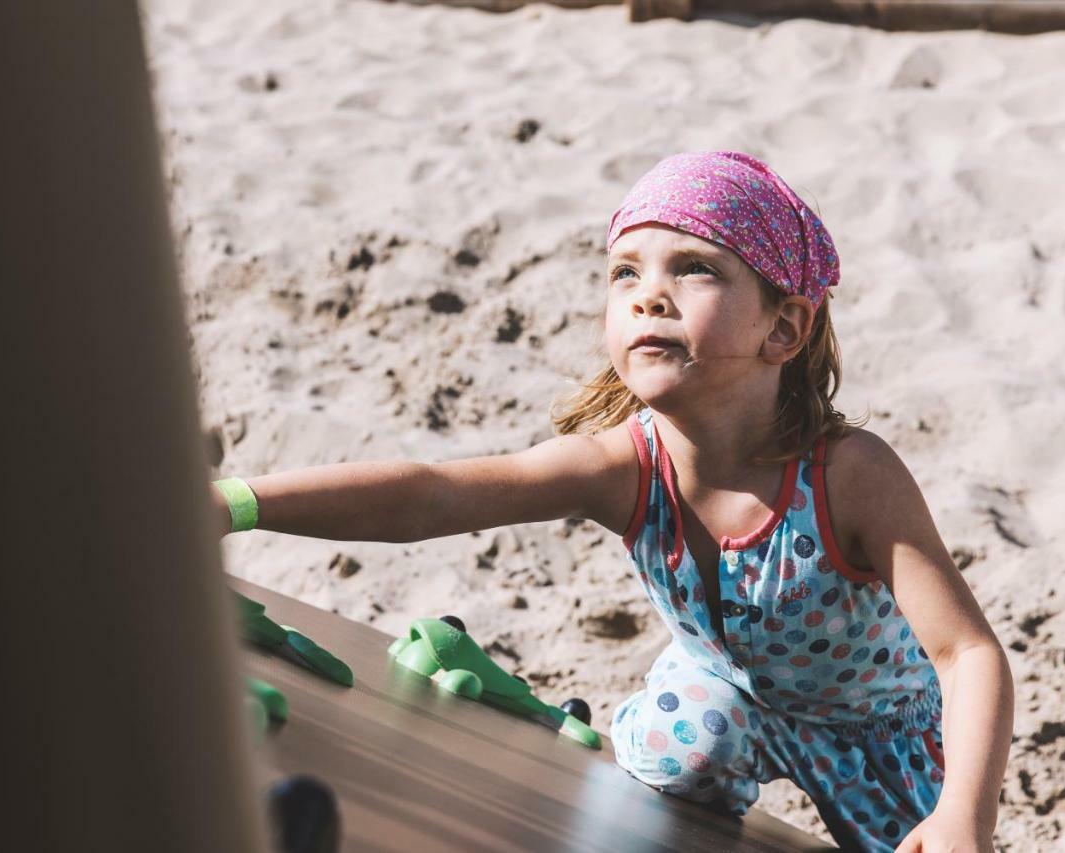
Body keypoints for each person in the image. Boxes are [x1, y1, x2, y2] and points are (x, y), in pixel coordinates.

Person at [210, 151, 1014, 852]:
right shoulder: (623, 466)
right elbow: (434, 493)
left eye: (693, 267)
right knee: (678, 747)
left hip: (875, 729)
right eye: (625, 271)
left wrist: (962, 818)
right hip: (723, 694)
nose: (648, 295)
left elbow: (967, 654)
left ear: (785, 327)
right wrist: (233, 503)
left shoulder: (849, 474)